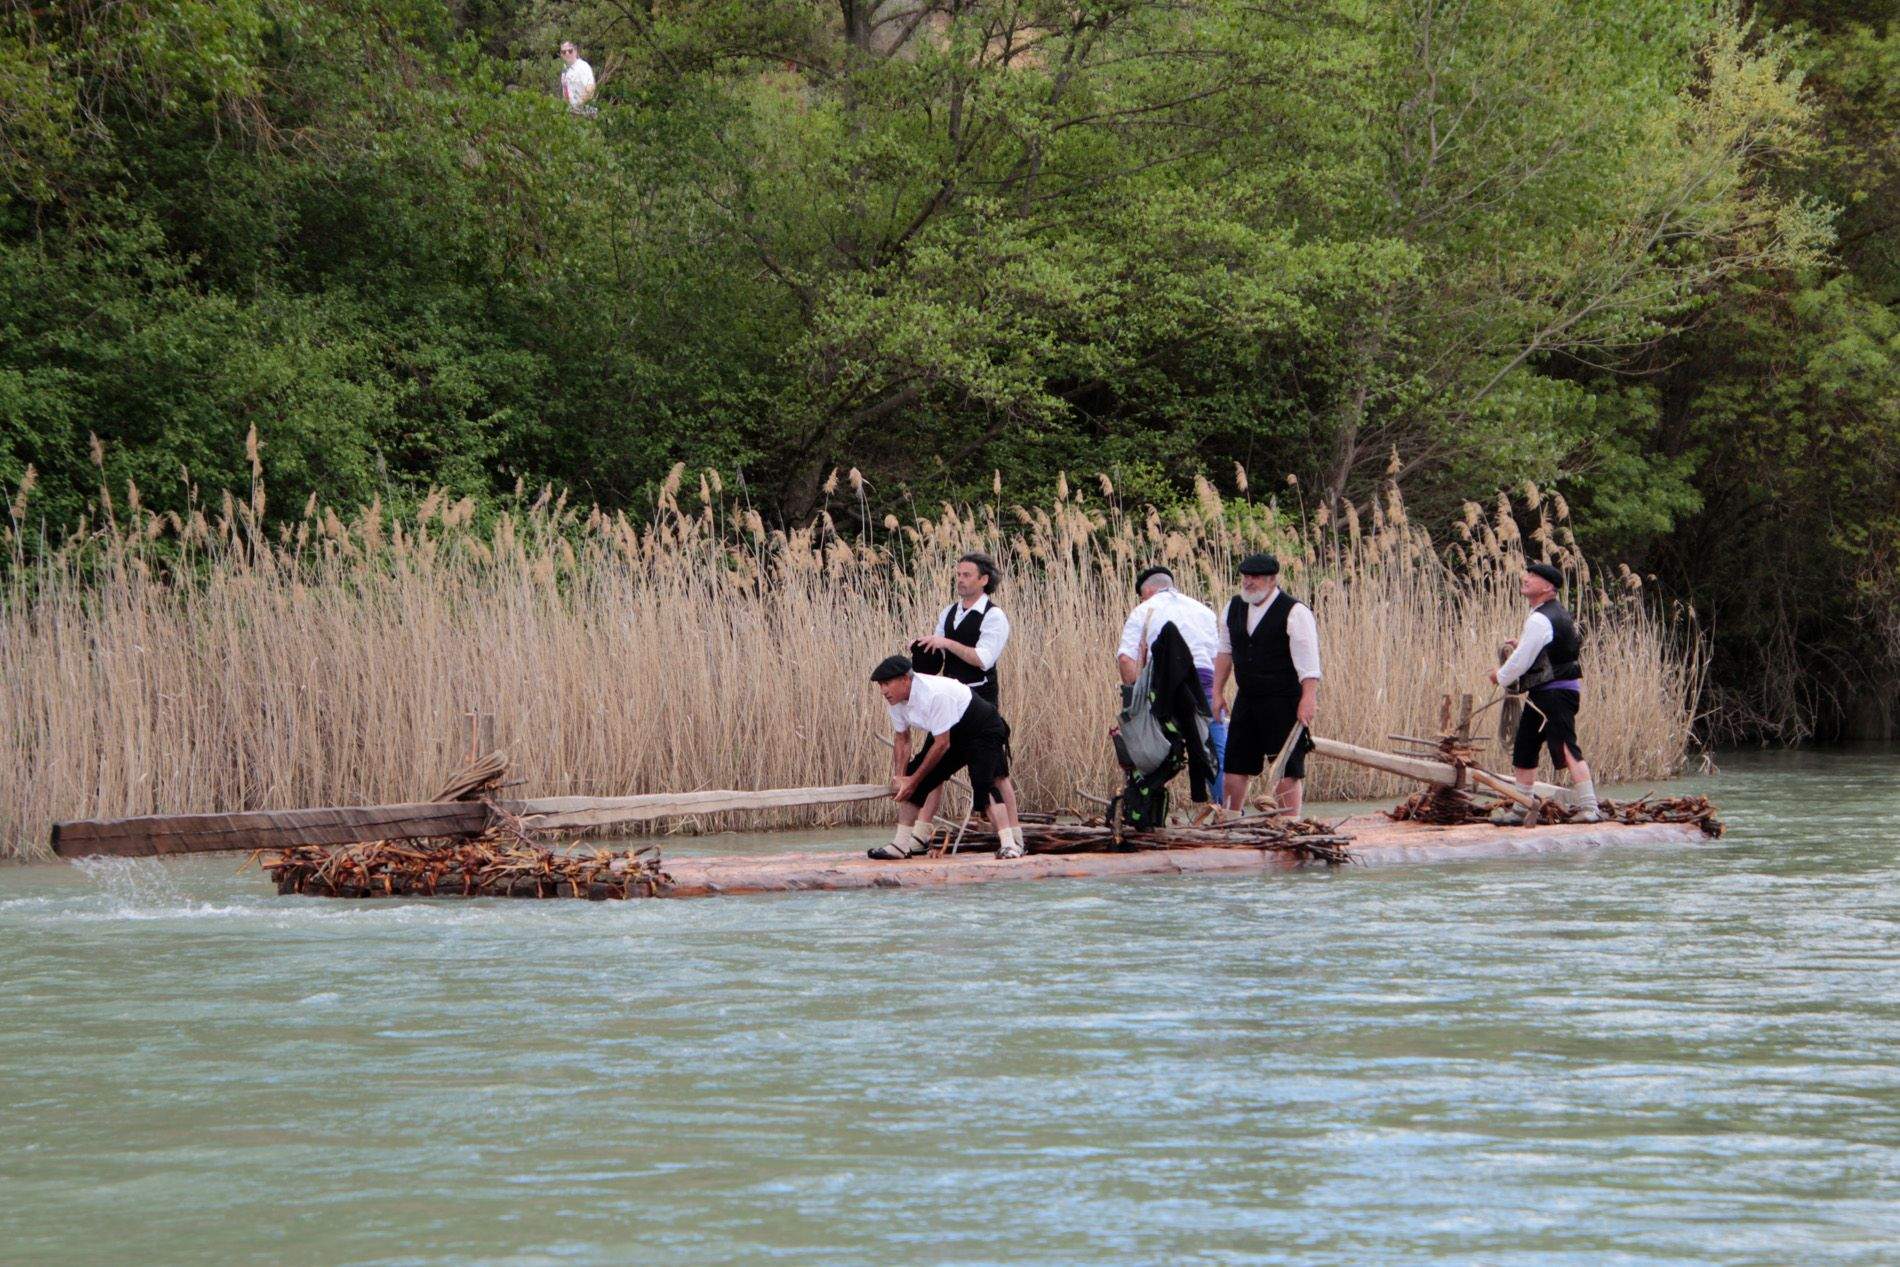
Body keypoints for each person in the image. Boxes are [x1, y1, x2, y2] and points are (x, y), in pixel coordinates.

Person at [870, 655, 1026, 861]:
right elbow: (902, 739)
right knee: (913, 778)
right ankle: (900, 845)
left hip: (983, 729)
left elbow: (942, 744)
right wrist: (901, 778)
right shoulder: (896, 702)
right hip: (953, 731)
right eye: (881, 685)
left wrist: (913, 781)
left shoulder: (934, 694)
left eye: (887, 683)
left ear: (905, 680)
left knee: (983, 783)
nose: (883, 690)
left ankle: (1010, 845)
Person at [906, 552, 1021, 828]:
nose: (960, 579)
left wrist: (945, 643)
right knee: (934, 764)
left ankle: (1014, 834)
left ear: (984, 580)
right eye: (958, 574)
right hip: (947, 700)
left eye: (966, 575)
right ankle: (921, 833)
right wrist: (923, 648)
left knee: (995, 772)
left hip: (980, 701)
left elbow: (983, 659)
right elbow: (937, 656)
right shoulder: (948, 612)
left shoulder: (994, 616)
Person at [1488, 562, 1603, 824]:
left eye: (1534, 576)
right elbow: (1552, 653)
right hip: (1546, 694)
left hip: (1556, 694)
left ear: (1548, 587)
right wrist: (1522, 647)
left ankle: (1590, 808)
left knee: (1565, 746)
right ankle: (1521, 807)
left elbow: (1521, 662)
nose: (1526, 578)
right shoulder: (1554, 614)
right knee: (1525, 746)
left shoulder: (1541, 618)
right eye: (1528, 574)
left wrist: (1500, 676)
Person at [1212, 553, 1321, 814]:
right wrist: (1216, 692)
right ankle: (1229, 821)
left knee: (1286, 769)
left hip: (1284, 701)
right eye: (1246, 577)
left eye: (1256, 577)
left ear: (1272, 579)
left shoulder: (1295, 612)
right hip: (1247, 698)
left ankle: (1289, 825)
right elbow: (1225, 653)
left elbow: (1308, 663)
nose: (1249, 582)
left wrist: (1308, 699)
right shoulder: (1233, 607)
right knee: (1235, 767)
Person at [1115, 565, 1222, 806]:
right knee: (1216, 745)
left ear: (1149, 591)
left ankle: (1144, 809)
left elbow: (1125, 658)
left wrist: (1135, 696)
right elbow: (1217, 658)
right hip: (1204, 685)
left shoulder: (1144, 610)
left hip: (1164, 690)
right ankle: (1226, 810)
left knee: (1146, 746)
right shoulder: (1204, 611)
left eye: (1141, 595)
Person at [560, 41, 596, 115]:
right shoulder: (565, 70)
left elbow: (590, 88)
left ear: (575, 51)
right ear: (561, 54)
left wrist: (578, 106)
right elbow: (566, 94)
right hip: (571, 112)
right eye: (564, 52)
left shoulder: (583, 67)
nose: (567, 53)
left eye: (570, 51)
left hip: (585, 112)